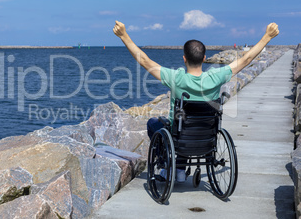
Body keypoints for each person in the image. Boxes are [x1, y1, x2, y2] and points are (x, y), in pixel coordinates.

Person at [113, 20, 279, 182]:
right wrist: (267, 37)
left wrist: (124, 35)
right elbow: (246, 59)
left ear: (184, 59)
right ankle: (179, 170)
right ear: (204, 58)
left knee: (153, 123)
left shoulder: (176, 78)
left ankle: (170, 166)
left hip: (180, 137)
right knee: (182, 127)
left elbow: (144, 61)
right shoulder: (216, 77)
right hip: (206, 137)